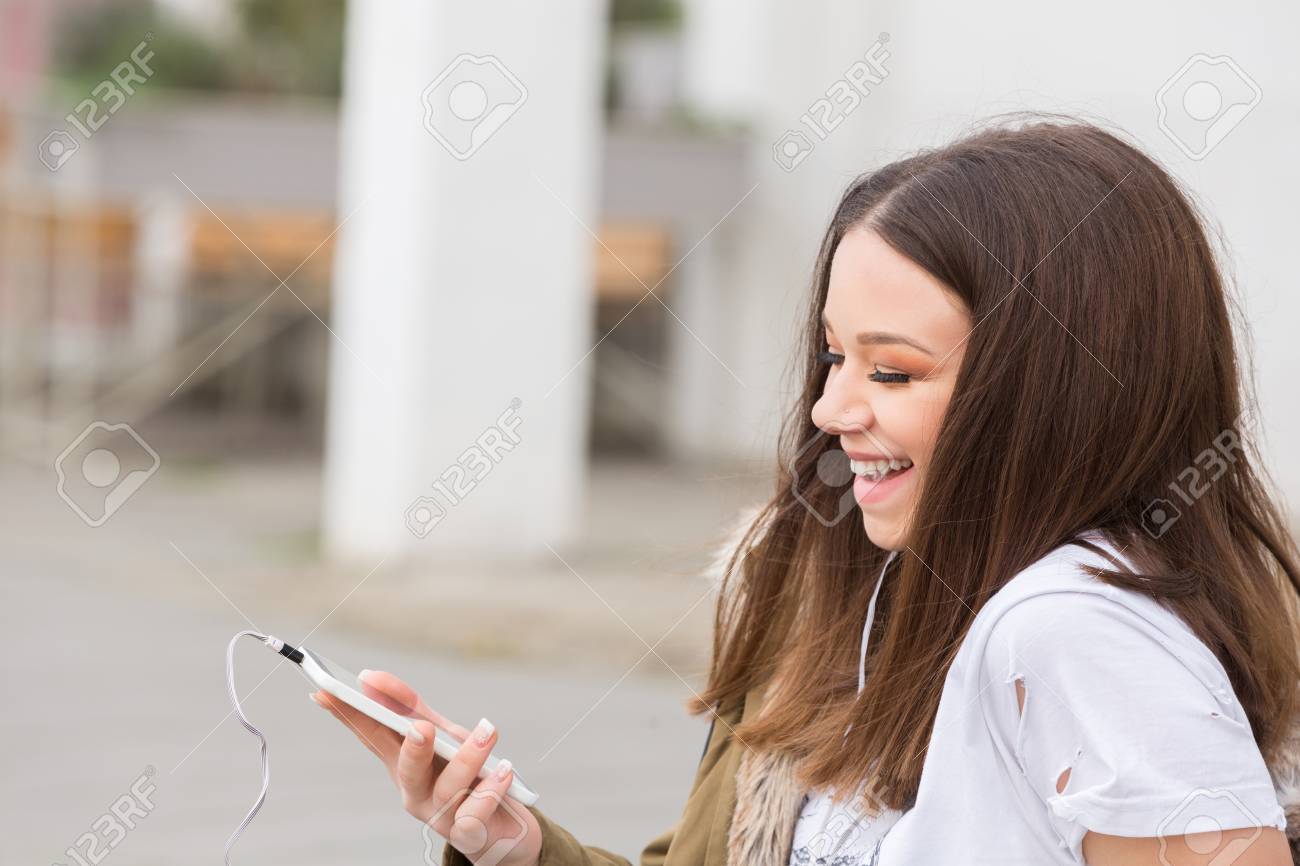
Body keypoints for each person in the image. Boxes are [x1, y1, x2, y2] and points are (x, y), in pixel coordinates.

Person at [312, 115, 1300, 865]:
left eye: (893, 370)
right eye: (833, 355)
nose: (830, 408)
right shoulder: (811, 586)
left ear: (1057, 387)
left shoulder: (1078, 631)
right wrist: (517, 842)